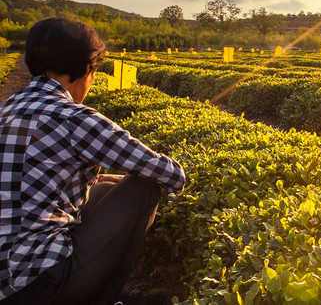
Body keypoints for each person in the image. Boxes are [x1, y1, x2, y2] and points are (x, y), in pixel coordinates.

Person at [0, 18, 186, 304]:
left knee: (104, 189)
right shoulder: (75, 118)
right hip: (39, 283)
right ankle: (105, 298)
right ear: (86, 69)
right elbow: (170, 174)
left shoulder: (7, 109)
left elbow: (30, 177)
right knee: (142, 187)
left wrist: (99, 179)